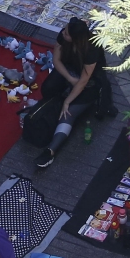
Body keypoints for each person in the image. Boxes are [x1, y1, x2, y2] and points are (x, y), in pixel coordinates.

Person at [36, 17, 106, 168]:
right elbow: (56, 60)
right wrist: (69, 78)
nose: (63, 33)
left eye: (67, 33)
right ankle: (54, 110)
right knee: (48, 88)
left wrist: (68, 102)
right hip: (70, 72)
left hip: (90, 81)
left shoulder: (92, 48)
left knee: (69, 112)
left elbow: (84, 80)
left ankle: (51, 151)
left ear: (76, 39)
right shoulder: (63, 36)